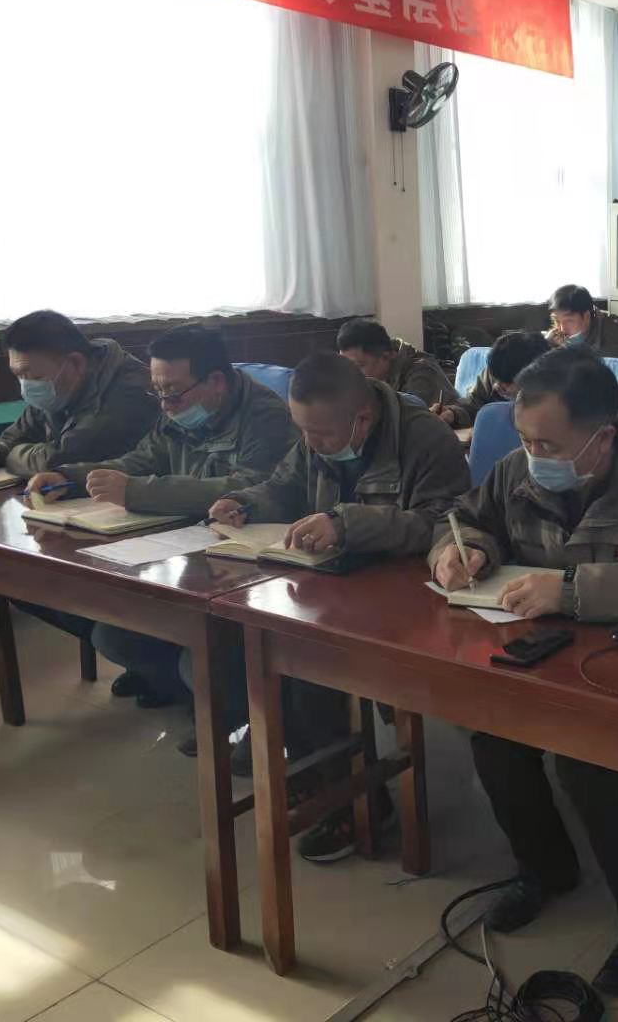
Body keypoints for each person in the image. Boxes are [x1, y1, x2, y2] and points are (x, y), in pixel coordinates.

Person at [428, 346, 618, 996]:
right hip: (541, 652)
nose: (533, 455)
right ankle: (546, 870)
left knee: (585, 759)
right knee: (493, 736)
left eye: (549, 445)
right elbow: (466, 520)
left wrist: (571, 590)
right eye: (526, 439)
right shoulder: (516, 469)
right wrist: (462, 551)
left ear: (604, 437)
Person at [208, 353, 470, 858]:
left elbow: (446, 523)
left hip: (409, 590)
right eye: (303, 431)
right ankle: (320, 776)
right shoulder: (319, 432)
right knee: (266, 646)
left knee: (311, 668)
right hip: (335, 581)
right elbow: (284, 486)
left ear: (362, 418)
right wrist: (246, 503)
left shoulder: (424, 438)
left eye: (321, 435)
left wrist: (348, 524)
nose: (311, 443)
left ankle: (359, 803)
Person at [24, 324, 299, 709]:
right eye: (158, 391)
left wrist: (138, 491)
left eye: (173, 391)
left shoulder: (265, 415)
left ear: (216, 382)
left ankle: (225, 712)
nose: (165, 404)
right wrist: (71, 478)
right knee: (112, 636)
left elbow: (247, 488)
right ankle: (190, 698)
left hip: (244, 565)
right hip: (185, 548)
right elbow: (140, 460)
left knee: (197, 664)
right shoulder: (179, 409)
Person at [0, 310, 156, 480]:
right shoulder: (58, 388)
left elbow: (59, 460)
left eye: (35, 376)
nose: (27, 384)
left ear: (75, 363)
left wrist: (9, 456)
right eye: (19, 376)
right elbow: (17, 437)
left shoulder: (129, 390)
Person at [337, 317, 457, 409]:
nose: (350, 375)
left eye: (358, 366)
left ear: (385, 357)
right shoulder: (372, 376)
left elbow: (401, 422)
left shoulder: (421, 373)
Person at [437, 331, 550, 428]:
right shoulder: (497, 370)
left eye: (507, 383)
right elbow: (473, 405)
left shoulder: (553, 395)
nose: (496, 386)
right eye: (496, 379)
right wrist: (453, 414)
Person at [545, 284, 618, 359]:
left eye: (569, 321)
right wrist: (547, 345)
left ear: (586, 316)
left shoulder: (613, 330)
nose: (562, 329)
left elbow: (600, 368)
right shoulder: (555, 337)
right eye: (557, 321)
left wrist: (564, 350)